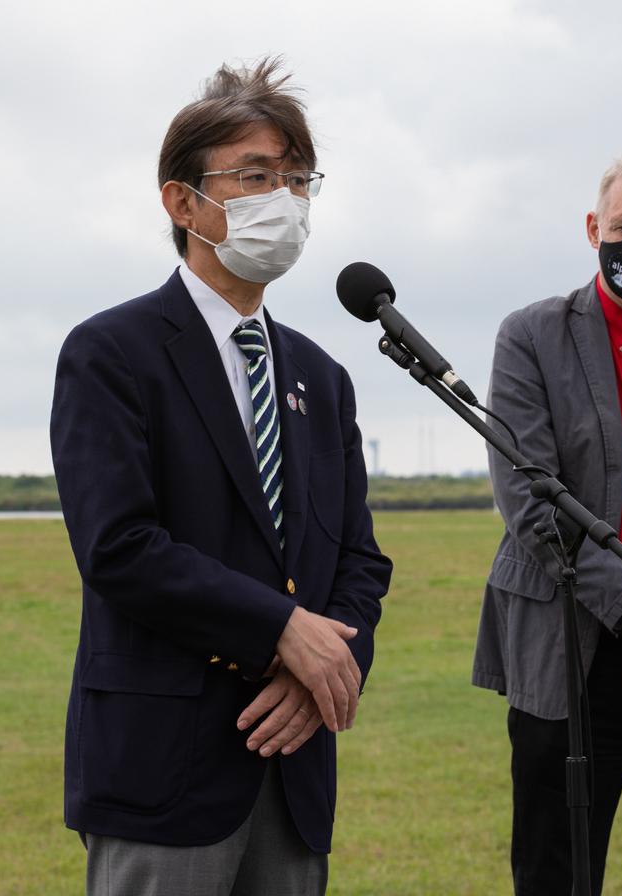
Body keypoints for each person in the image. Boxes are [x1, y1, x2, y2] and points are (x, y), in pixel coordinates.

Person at [51, 58, 392, 896]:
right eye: (255, 176)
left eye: (298, 178)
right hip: (163, 766)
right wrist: (281, 629)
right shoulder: (111, 354)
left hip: (294, 763)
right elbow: (120, 547)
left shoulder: (322, 374)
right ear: (181, 201)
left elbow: (358, 560)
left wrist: (324, 676)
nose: (284, 198)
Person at [473, 150, 622, 896]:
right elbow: (533, 502)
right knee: (557, 869)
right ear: (593, 228)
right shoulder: (531, 336)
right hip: (570, 649)